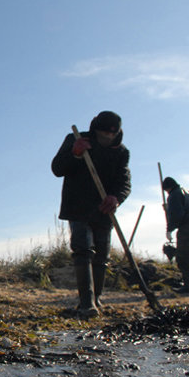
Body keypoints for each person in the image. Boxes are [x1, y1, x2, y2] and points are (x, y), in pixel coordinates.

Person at [51, 111, 131, 318]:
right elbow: (57, 168)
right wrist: (75, 154)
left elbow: (124, 182)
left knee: (102, 255)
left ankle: (96, 298)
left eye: (112, 134)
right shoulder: (76, 140)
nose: (107, 137)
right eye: (103, 133)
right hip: (77, 205)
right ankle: (86, 304)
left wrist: (116, 197)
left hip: (104, 209)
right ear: (95, 129)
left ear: (117, 133)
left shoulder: (121, 152)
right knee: (83, 250)